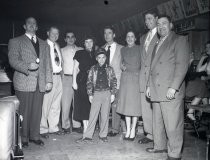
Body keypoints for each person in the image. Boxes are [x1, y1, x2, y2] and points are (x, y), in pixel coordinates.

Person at [146, 15, 189, 160]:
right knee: (157, 122)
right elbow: (152, 68)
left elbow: (182, 65)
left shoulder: (179, 40)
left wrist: (174, 87)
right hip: (156, 89)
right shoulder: (157, 43)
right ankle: (159, 146)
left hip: (170, 90)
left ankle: (174, 154)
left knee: (173, 125)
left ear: (171, 25)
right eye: (158, 24)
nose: (161, 26)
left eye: (164, 23)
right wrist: (149, 86)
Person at [8, 17, 52, 147]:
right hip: (24, 81)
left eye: (34, 24)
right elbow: (13, 61)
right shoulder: (15, 41)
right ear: (24, 26)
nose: (32, 25)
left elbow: (48, 63)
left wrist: (49, 80)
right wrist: (27, 66)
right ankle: (24, 138)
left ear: (37, 27)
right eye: (29, 23)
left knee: (37, 111)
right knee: (23, 112)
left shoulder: (44, 44)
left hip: (40, 83)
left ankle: (34, 136)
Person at [77, 48, 117, 143]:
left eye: (103, 57)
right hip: (96, 94)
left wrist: (113, 93)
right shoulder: (93, 69)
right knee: (92, 115)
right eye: (99, 58)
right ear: (96, 58)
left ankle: (103, 135)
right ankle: (88, 136)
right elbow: (89, 82)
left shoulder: (110, 69)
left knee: (105, 115)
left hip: (107, 93)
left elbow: (113, 81)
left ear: (106, 58)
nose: (101, 59)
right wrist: (90, 94)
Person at [116, 31, 141, 141]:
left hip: (136, 78)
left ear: (135, 38)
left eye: (132, 36)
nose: (130, 38)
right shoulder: (123, 50)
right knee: (126, 106)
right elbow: (122, 63)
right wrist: (121, 66)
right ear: (125, 39)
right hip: (125, 79)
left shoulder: (140, 49)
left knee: (134, 106)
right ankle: (127, 130)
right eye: (128, 37)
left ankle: (133, 130)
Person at [138, 11, 158, 144]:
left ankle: (158, 135)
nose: (147, 21)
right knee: (145, 107)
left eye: (150, 18)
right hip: (143, 77)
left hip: (155, 76)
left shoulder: (161, 35)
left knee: (156, 108)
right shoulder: (143, 37)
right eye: (145, 19)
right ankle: (150, 133)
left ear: (157, 19)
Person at [40, 26, 63, 137]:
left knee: (56, 104)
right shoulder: (43, 45)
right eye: (53, 33)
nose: (55, 36)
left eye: (57, 34)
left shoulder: (57, 46)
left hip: (58, 77)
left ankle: (53, 127)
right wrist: (46, 80)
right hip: (49, 78)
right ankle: (43, 129)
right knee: (45, 105)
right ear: (48, 33)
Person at [102, 26, 124, 137]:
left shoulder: (122, 48)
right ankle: (104, 128)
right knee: (105, 106)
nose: (107, 35)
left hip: (117, 82)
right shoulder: (101, 49)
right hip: (104, 83)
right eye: (105, 33)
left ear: (114, 35)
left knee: (115, 106)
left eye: (109, 33)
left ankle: (115, 129)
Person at [72, 35, 97, 133]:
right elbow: (75, 68)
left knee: (91, 105)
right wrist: (74, 82)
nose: (89, 44)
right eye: (87, 42)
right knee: (83, 105)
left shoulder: (96, 54)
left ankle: (90, 127)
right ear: (84, 43)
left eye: (91, 41)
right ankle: (86, 128)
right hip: (82, 80)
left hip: (93, 81)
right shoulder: (79, 53)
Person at [61, 31, 83, 134]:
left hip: (79, 79)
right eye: (68, 37)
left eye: (72, 37)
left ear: (75, 38)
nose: (70, 39)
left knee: (77, 103)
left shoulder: (81, 50)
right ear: (65, 39)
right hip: (67, 78)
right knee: (65, 104)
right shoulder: (61, 50)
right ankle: (65, 126)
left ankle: (76, 125)